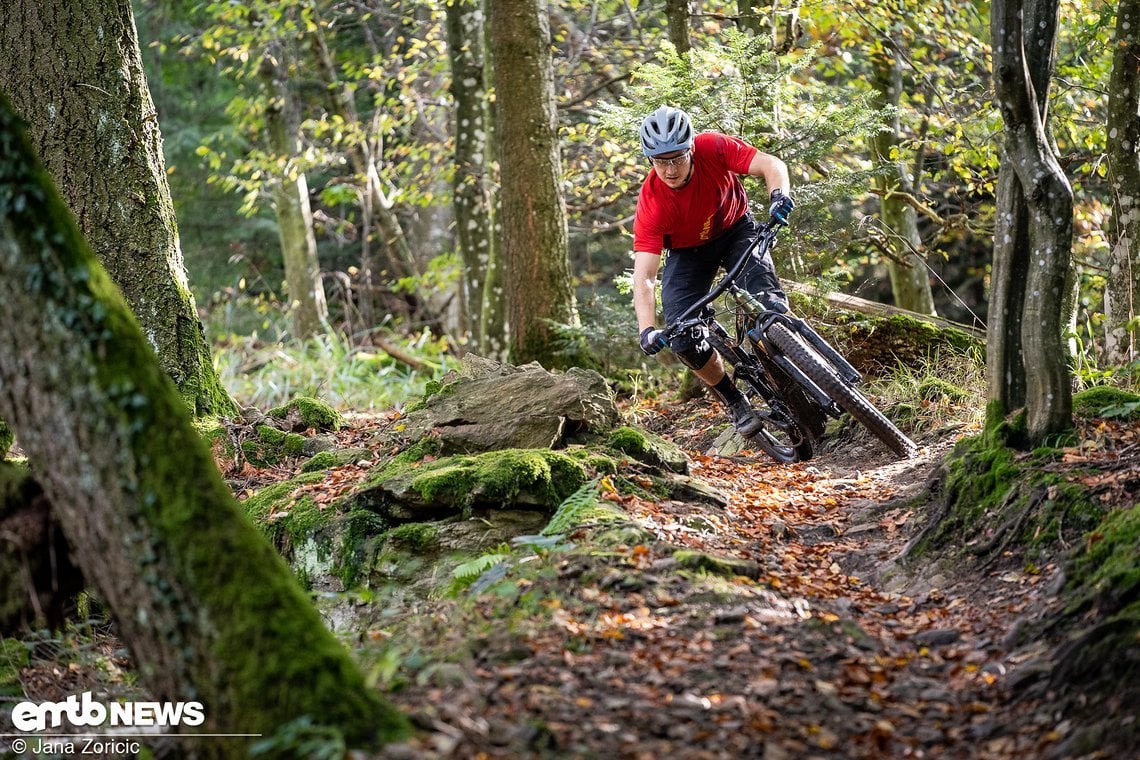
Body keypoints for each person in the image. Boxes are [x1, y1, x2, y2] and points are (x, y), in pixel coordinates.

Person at [631, 105, 795, 438]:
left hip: (736, 228)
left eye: (677, 158)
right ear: (650, 160)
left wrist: (779, 196)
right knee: (682, 338)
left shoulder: (713, 147)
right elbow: (645, 277)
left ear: (691, 149)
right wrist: (647, 329)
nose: (670, 169)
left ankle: (796, 371)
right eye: (661, 161)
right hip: (688, 253)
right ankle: (734, 400)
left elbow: (770, 164)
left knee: (768, 303)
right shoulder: (652, 203)